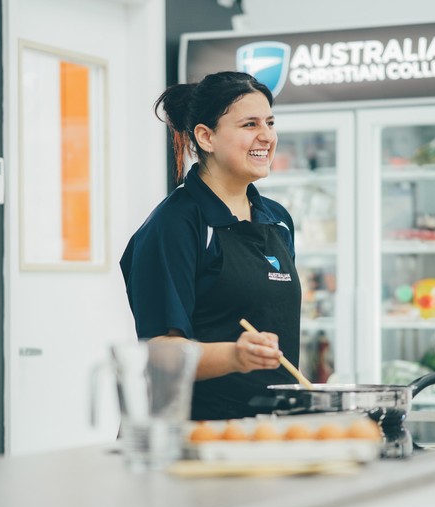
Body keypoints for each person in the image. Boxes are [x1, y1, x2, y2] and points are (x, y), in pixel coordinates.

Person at [120, 71, 302, 421]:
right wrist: (235, 356)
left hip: (269, 430)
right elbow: (159, 354)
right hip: (196, 435)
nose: (266, 136)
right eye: (249, 124)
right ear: (206, 137)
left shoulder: (277, 220)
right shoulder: (175, 225)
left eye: (270, 122)